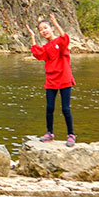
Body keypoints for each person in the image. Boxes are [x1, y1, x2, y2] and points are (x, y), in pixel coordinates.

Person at [26, 13, 76, 147]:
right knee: (49, 107)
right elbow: (37, 53)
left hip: (64, 78)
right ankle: (49, 133)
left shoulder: (60, 42)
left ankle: (71, 135)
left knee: (66, 108)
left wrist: (57, 23)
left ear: (51, 28)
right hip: (51, 80)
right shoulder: (46, 47)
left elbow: (64, 38)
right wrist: (32, 37)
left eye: (46, 28)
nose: (44, 31)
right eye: (41, 30)